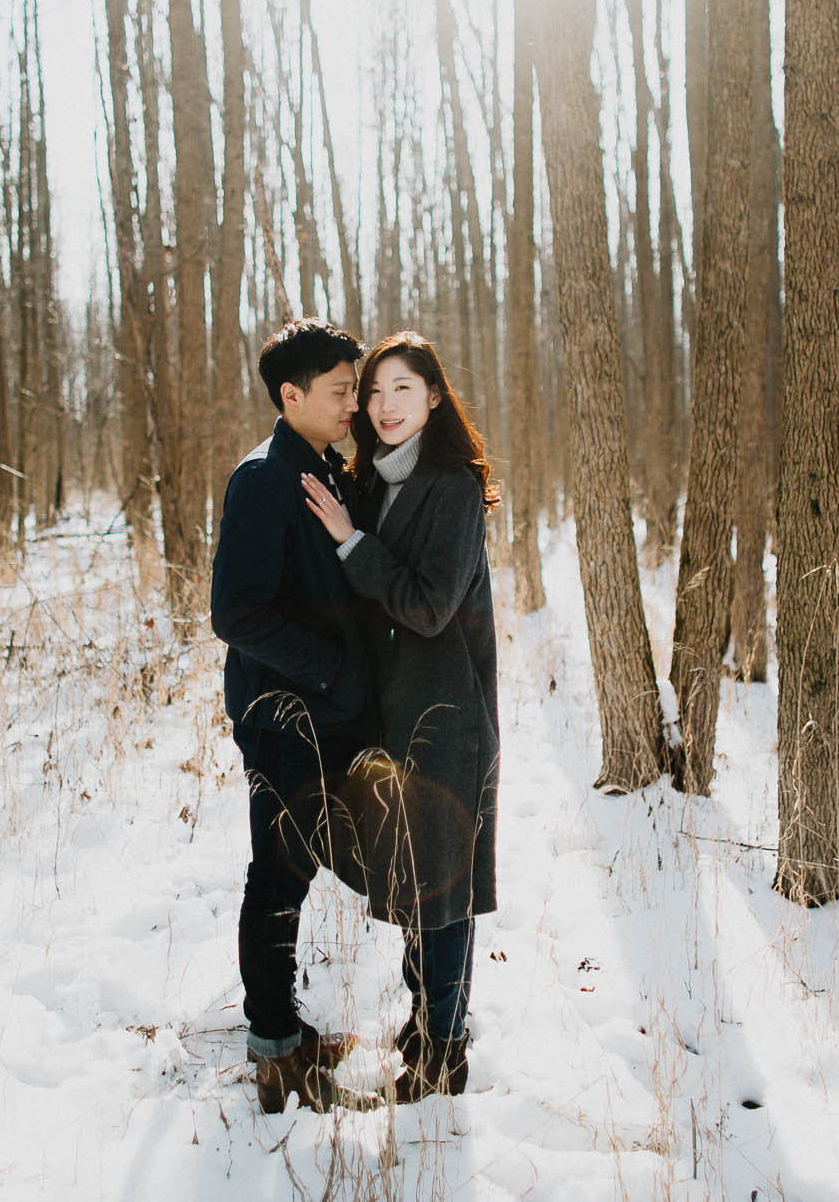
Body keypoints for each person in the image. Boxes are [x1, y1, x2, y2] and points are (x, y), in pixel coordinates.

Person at [299, 330, 499, 1103]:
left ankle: (444, 1052)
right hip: (393, 720)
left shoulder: (450, 487)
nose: (384, 406)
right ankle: (427, 1020)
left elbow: (426, 605)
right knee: (419, 888)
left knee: (444, 895)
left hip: (448, 719)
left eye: (403, 389)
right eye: (375, 391)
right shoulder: (374, 481)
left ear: (436, 397)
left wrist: (352, 542)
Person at [210, 318, 378, 1114]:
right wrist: (332, 670)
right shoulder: (262, 477)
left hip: (324, 716)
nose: (355, 403)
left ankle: (289, 1029)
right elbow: (236, 613)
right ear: (292, 394)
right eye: (341, 390)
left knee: (299, 873)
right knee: (275, 879)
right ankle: (276, 1052)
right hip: (282, 717)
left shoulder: (323, 467)